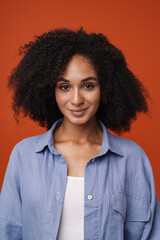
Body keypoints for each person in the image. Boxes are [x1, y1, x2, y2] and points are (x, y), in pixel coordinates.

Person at [0, 27, 160, 240]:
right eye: (64, 86)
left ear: (105, 89)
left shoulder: (132, 159)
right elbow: (8, 233)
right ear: (51, 91)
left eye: (87, 85)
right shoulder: (24, 155)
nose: (76, 99)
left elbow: (150, 234)